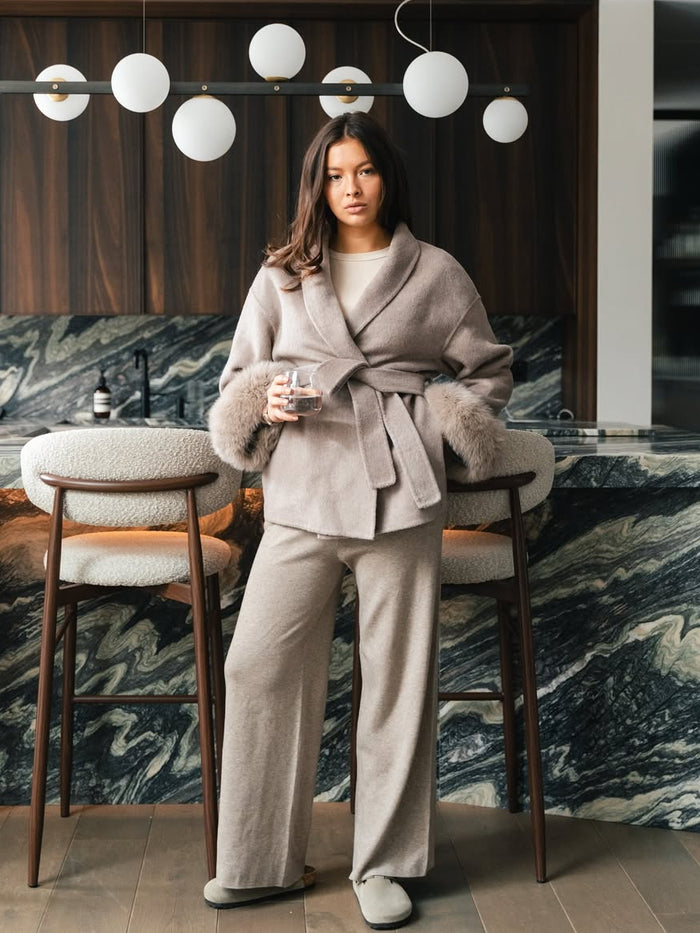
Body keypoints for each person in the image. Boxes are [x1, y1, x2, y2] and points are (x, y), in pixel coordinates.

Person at [206, 111, 513, 929]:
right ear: (318, 183)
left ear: (387, 177)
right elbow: (238, 377)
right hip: (303, 491)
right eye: (335, 174)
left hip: (400, 491)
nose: (351, 188)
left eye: (365, 172)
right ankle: (258, 857)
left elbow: (489, 371)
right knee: (258, 666)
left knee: (396, 681)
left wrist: (440, 422)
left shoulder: (437, 272)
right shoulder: (282, 275)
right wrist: (264, 398)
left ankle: (384, 863)